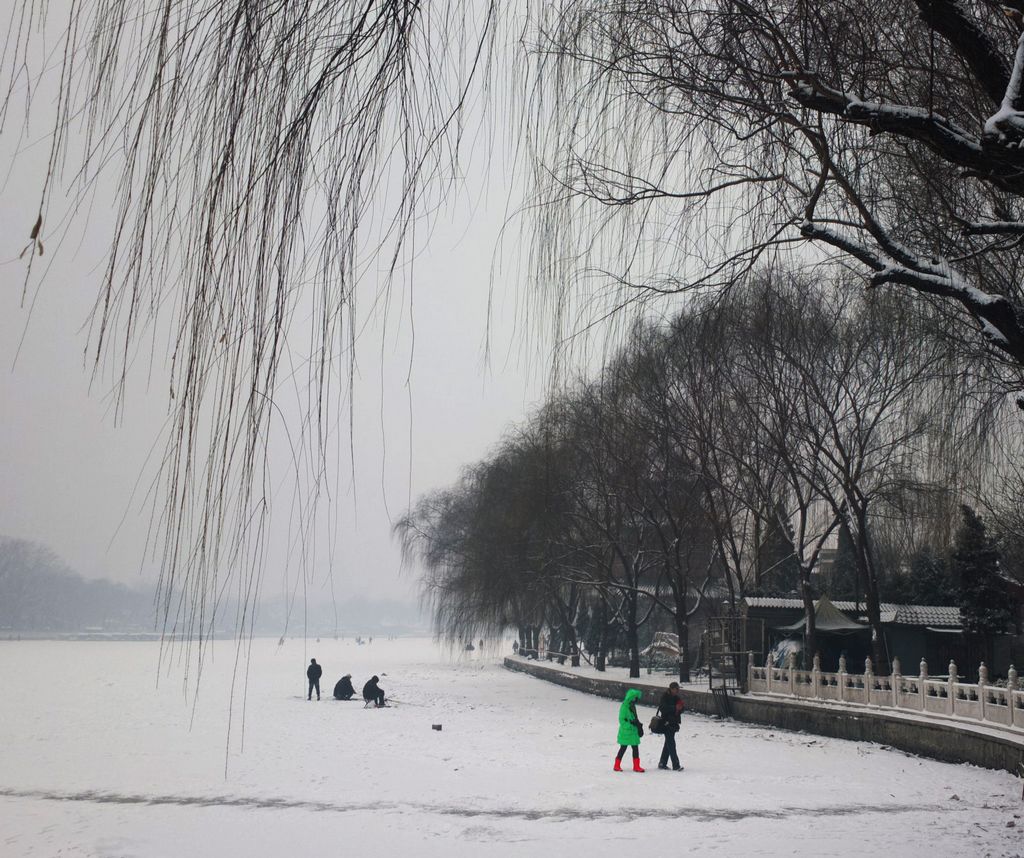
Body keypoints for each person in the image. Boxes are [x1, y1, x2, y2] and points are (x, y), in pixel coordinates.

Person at [614, 688, 645, 772]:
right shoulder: (624, 707)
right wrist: (630, 724)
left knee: (635, 748)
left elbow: (634, 717)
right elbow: (621, 720)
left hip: (633, 732)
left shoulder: (632, 706)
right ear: (631, 698)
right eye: (635, 698)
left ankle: (636, 766)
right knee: (623, 748)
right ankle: (616, 765)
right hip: (626, 732)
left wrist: (637, 724)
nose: (636, 700)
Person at [657, 682, 684, 771]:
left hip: (673, 723)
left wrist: (680, 708)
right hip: (666, 723)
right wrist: (675, 708)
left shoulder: (676, 697)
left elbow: (681, 708)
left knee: (668, 743)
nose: (678, 690)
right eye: (676, 689)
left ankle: (662, 763)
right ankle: (676, 765)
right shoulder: (665, 696)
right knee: (671, 744)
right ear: (671, 689)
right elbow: (663, 708)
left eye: (678, 689)